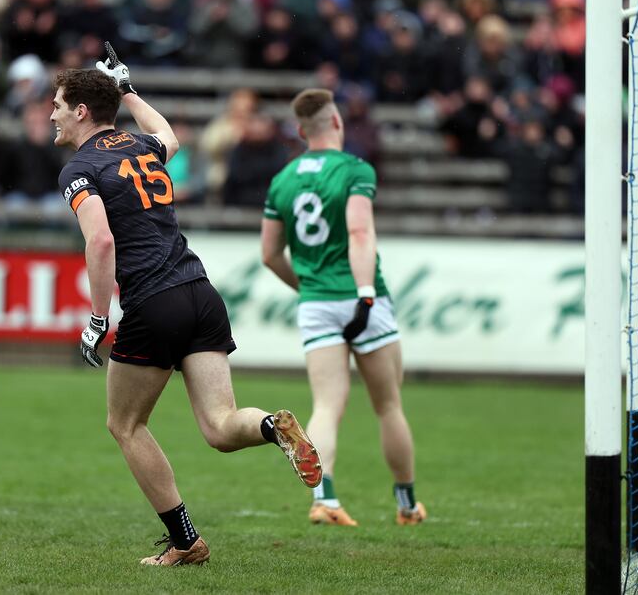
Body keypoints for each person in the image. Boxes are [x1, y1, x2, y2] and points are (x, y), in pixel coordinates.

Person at [52, 43, 321, 566]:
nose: (52, 113)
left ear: (81, 111)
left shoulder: (79, 169)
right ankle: (271, 425)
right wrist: (128, 89)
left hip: (154, 302)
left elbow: (101, 242)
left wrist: (98, 317)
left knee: (124, 425)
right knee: (221, 427)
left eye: (58, 104)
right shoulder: (140, 149)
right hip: (200, 293)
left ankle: (185, 542)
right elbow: (171, 135)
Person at [260, 88, 426, 527]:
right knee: (388, 405)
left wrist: (308, 287)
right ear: (337, 123)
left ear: (300, 131)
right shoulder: (355, 169)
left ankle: (325, 498)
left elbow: (270, 255)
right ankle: (407, 504)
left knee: (327, 406)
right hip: (360, 297)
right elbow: (359, 233)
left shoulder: (283, 179)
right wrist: (366, 292)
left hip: (316, 303)